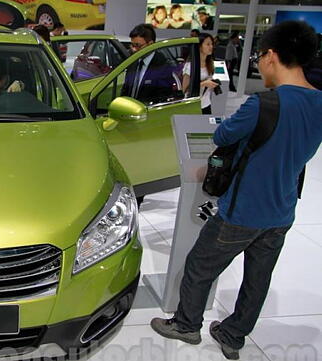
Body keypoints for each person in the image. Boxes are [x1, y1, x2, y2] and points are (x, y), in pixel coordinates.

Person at [150, 20, 322, 360]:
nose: (259, 62)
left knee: (200, 264)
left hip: (242, 210)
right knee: (257, 279)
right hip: (283, 210)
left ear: (272, 55)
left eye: (260, 56)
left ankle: (186, 325)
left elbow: (222, 136)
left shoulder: (264, 104)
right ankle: (232, 336)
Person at [122, 24, 176, 104]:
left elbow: (163, 97)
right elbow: (126, 90)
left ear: (151, 44)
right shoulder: (132, 62)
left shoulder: (162, 66)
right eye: (132, 45)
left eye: (137, 46)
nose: (133, 49)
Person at [182, 33, 219, 114]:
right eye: (208, 44)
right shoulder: (190, 66)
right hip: (193, 105)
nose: (211, 47)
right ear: (199, 46)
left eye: (212, 44)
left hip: (206, 104)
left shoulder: (210, 64)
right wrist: (204, 83)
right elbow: (185, 90)